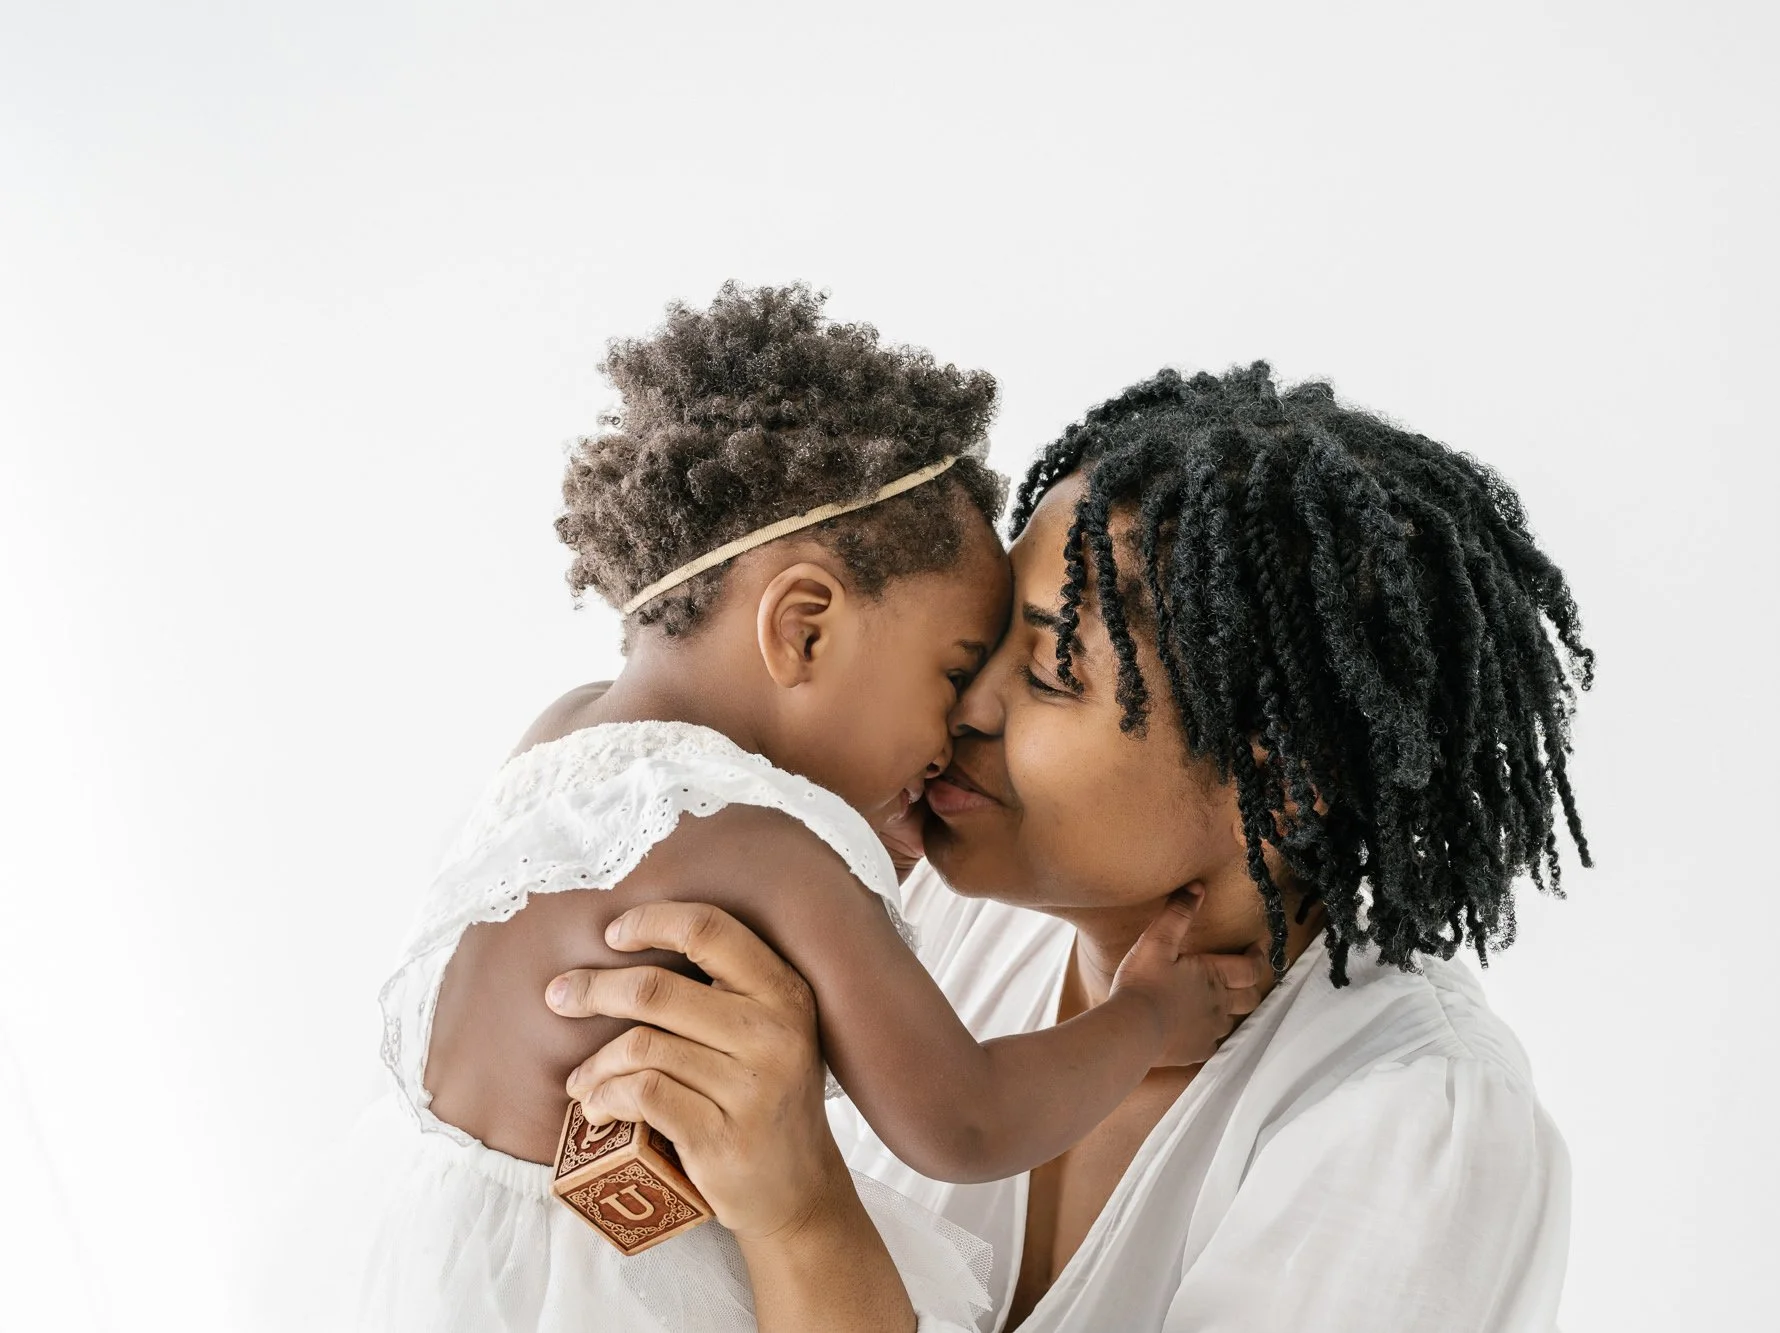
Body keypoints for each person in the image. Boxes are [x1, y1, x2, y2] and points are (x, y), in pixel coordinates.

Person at [556, 362, 1592, 1330]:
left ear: (1280, 779)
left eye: (1051, 671)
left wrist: (800, 1220)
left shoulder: (1408, 1127)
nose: (965, 701)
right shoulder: (911, 918)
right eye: (978, 641)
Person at [351, 288, 1268, 1333]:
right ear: (804, 630)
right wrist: (1146, 1015)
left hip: (448, 1271)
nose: (963, 722)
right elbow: (962, 1122)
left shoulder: (561, 738)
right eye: (954, 668)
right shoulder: (774, 850)